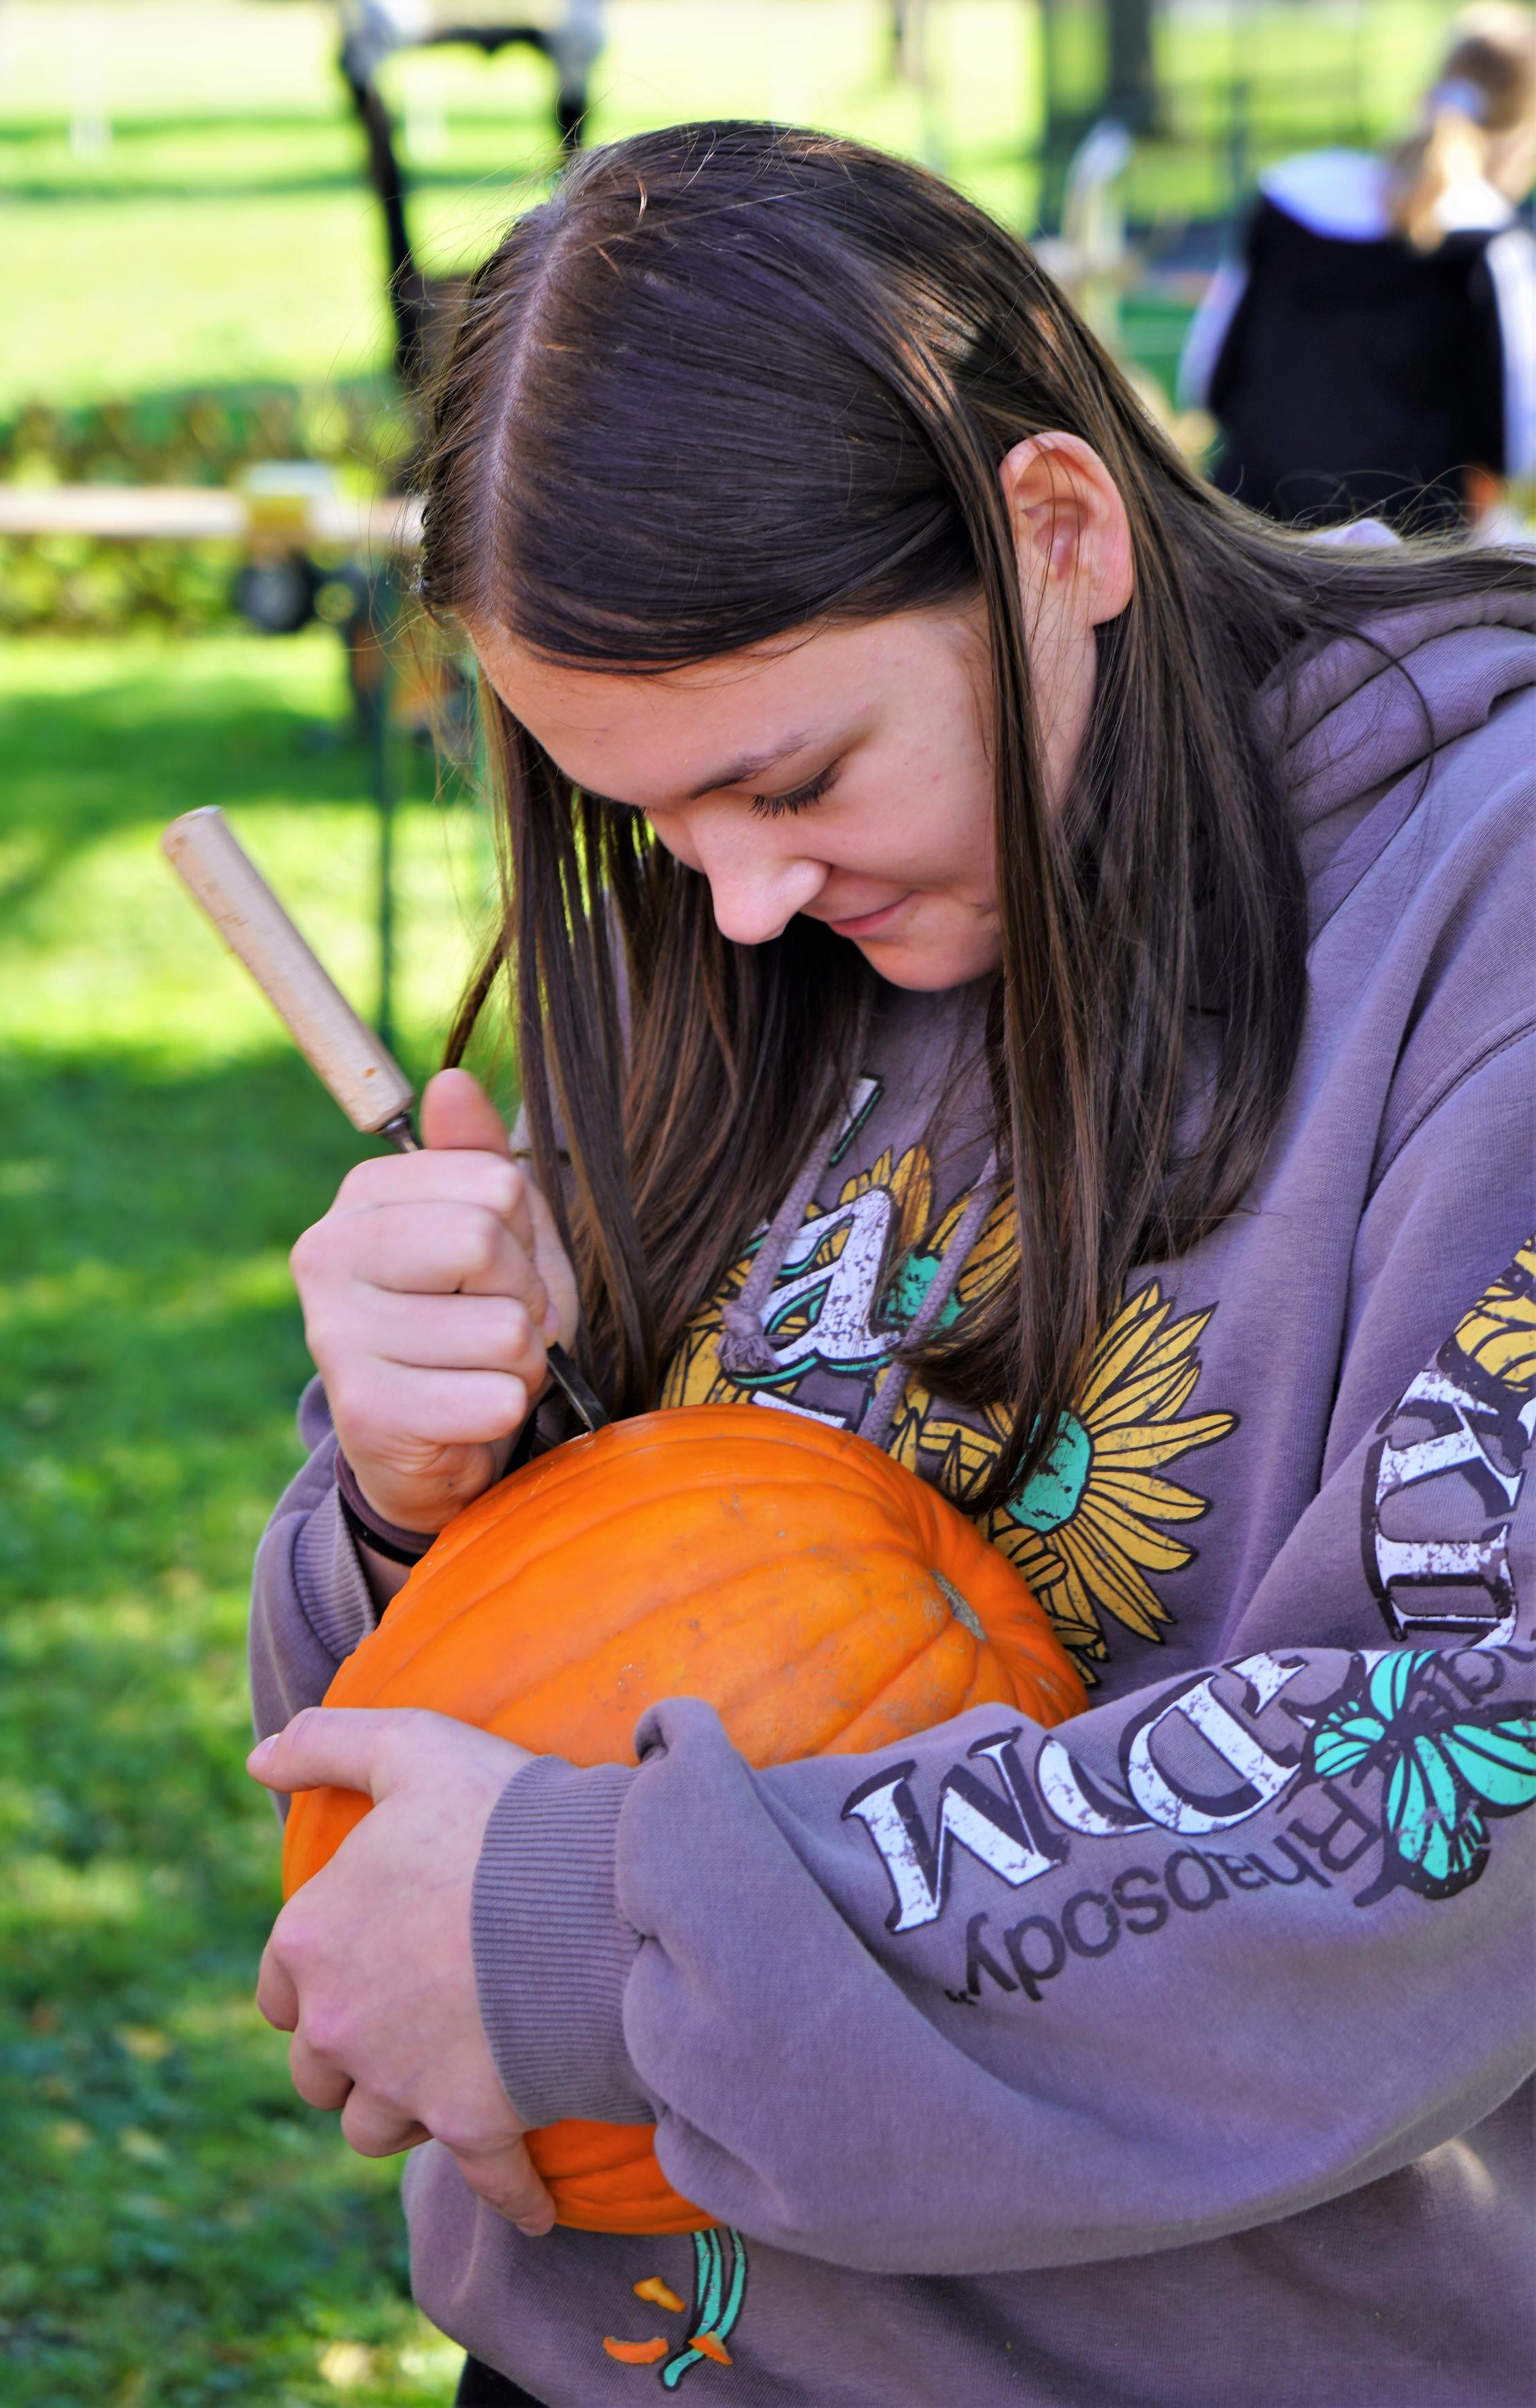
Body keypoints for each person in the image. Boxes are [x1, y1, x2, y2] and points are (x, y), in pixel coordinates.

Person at [247, 124, 1535, 2408]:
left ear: (1056, 531)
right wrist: (411, 1488)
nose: (737, 900)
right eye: (648, 815)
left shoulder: (1483, 908)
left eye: (796, 780)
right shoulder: (736, 913)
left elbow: (1466, 1765)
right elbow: (443, 1743)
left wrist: (598, 1938)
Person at [1180, 1, 1536, 531]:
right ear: (1522, 136)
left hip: (1254, 539)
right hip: (1411, 564)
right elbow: (1519, 444)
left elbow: (1206, 378)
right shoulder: (1492, 243)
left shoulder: (1290, 199)